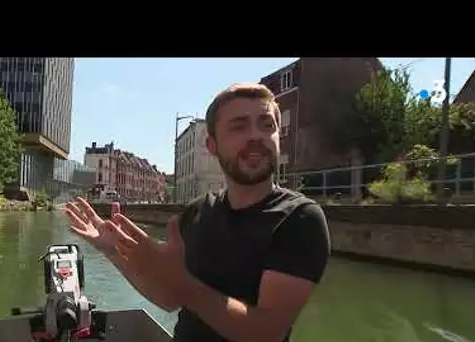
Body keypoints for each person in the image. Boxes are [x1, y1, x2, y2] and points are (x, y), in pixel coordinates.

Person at [65, 83, 331, 342]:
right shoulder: (198, 212)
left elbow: (266, 333)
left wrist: (185, 285)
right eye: (239, 126)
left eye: (267, 125)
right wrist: (113, 252)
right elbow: (169, 299)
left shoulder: (299, 219)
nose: (255, 135)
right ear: (212, 145)